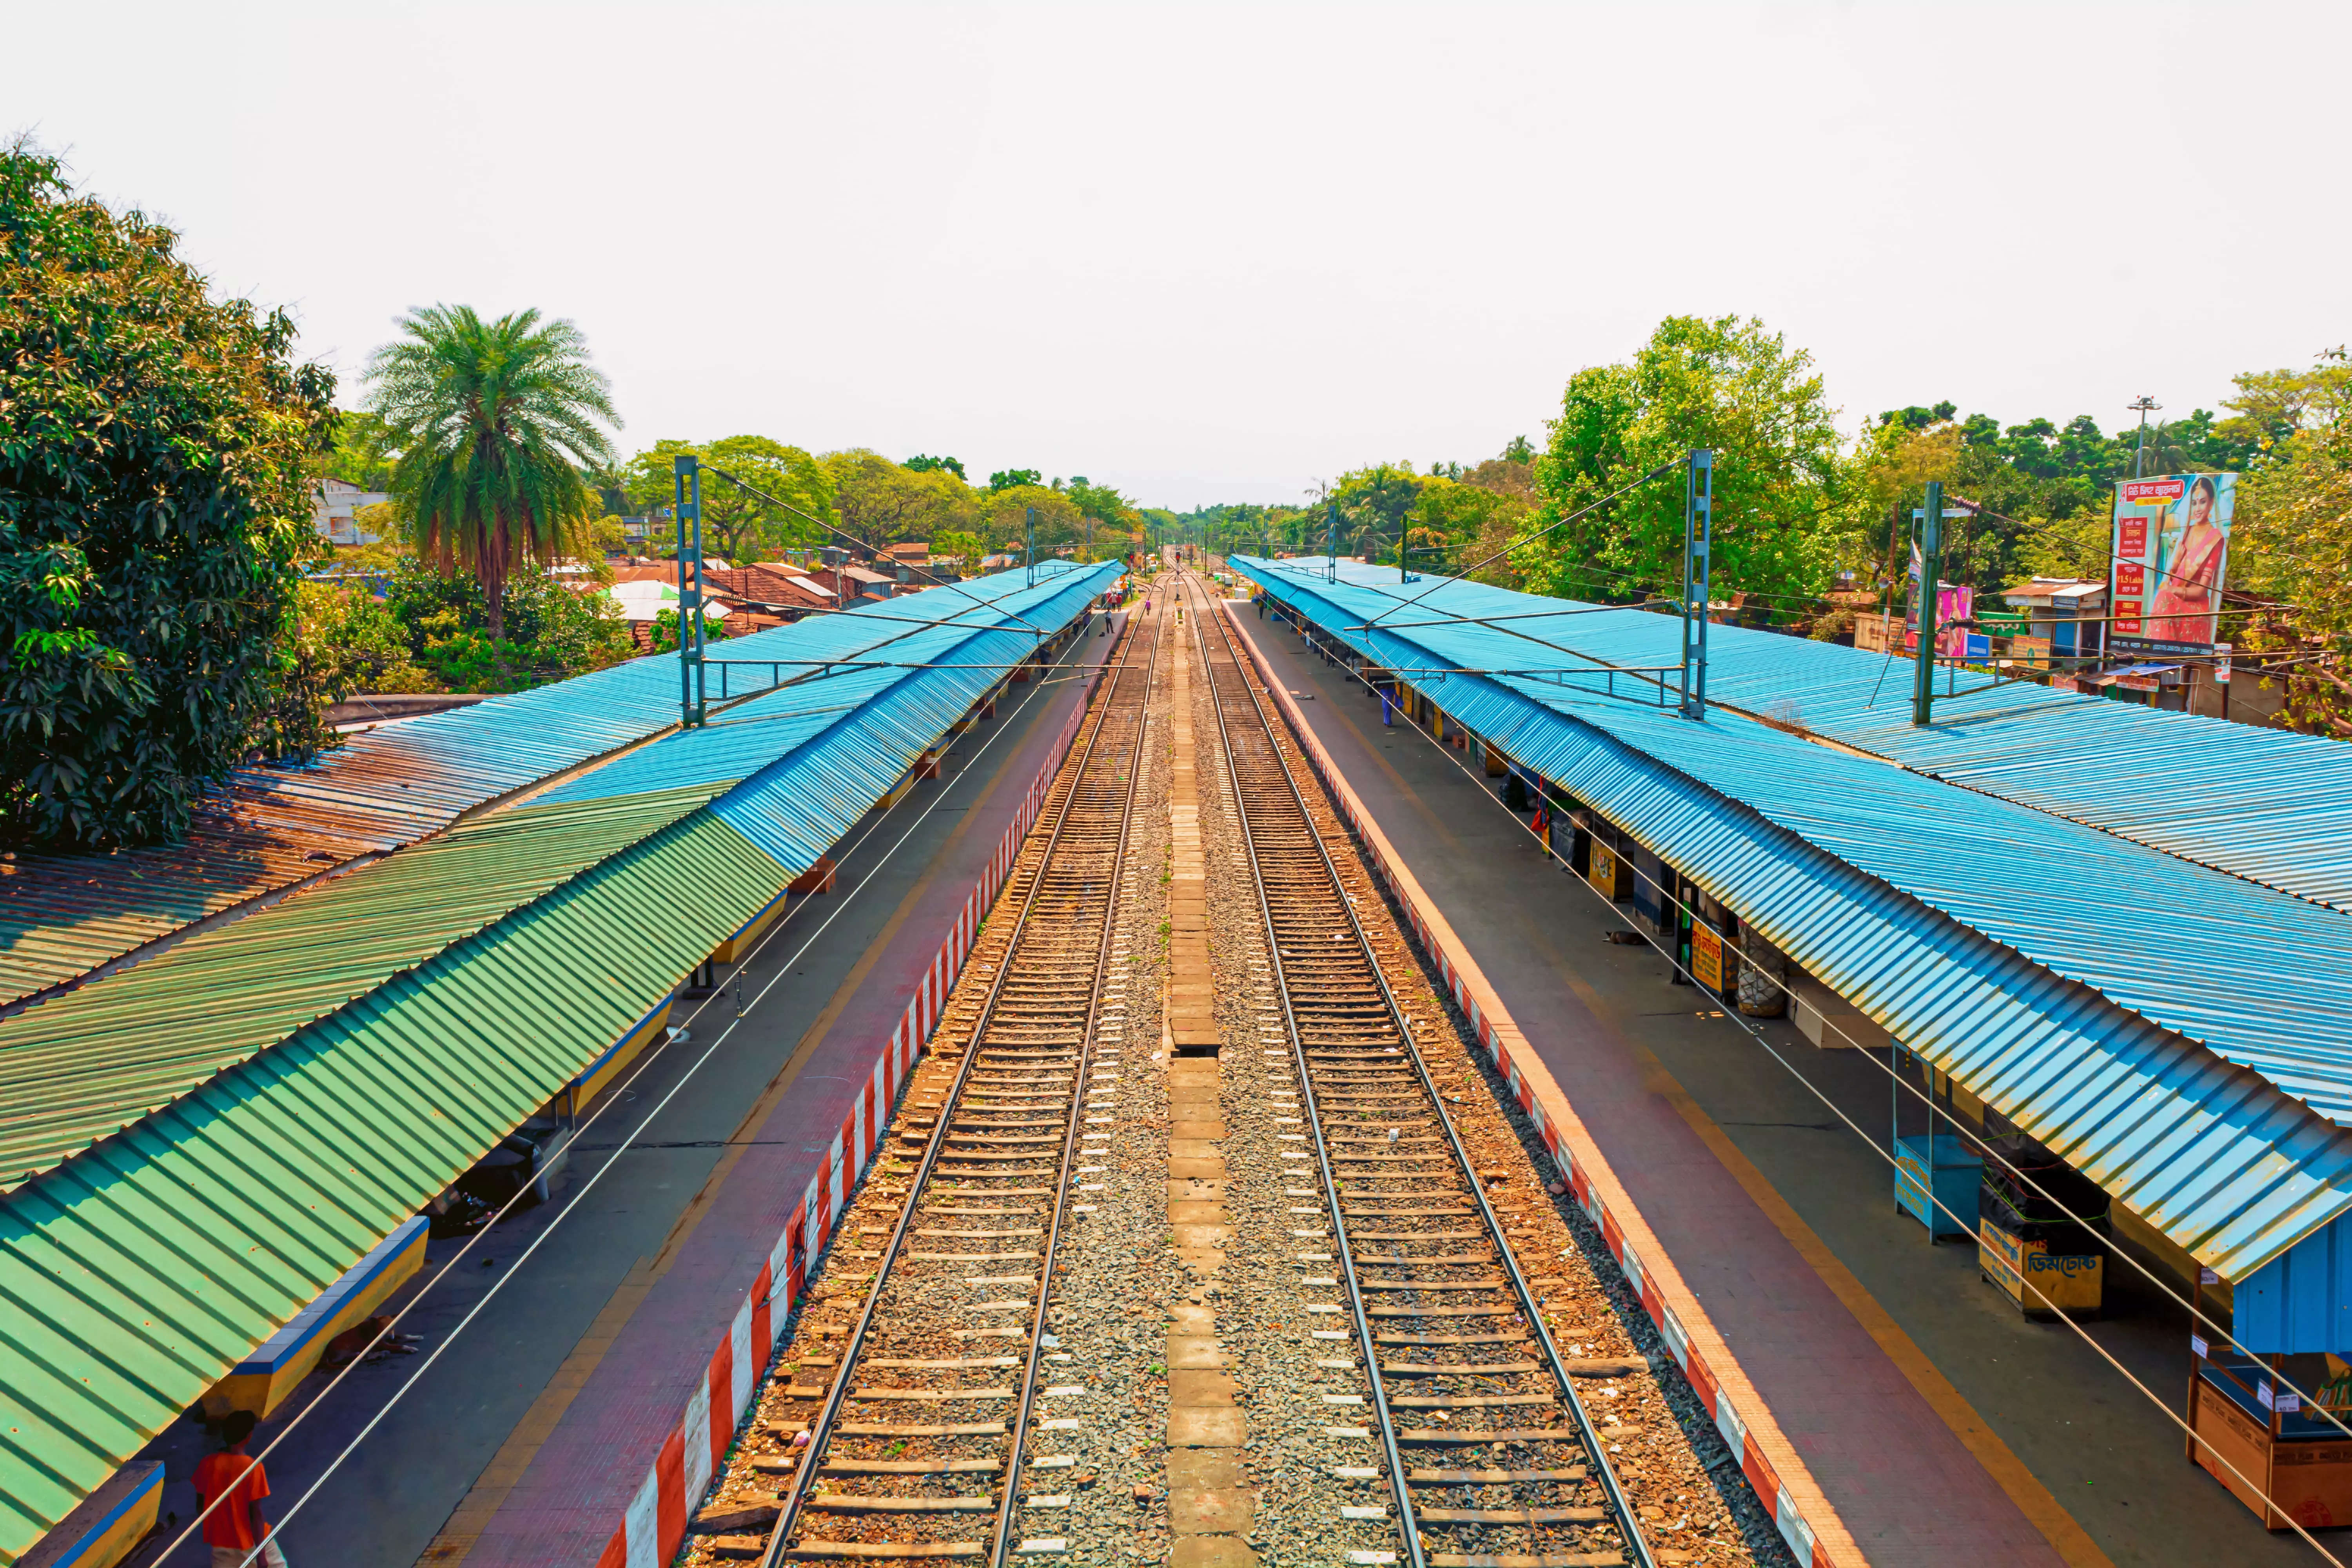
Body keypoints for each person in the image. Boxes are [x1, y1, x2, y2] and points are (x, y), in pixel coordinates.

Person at [194, 1411, 287, 1567]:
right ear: (248, 1437)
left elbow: (201, 1507)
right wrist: (261, 1555)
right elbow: (255, 1514)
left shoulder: (208, 1463)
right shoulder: (251, 1467)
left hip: (221, 1542)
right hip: (248, 1540)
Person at [2144, 475, 2229, 643]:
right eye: (2194, 503)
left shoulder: (2215, 539)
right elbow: (2170, 578)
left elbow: (2201, 592)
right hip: (2173, 601)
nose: (2198, 509)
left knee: (2164, 598)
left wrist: (2174, 591)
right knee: (2162, 598)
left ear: (2212, 503)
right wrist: (2175, 563)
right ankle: (2156, 654)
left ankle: (2162, 652)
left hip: (2195, 607)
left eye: (2203, 502)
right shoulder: (2186, 532)